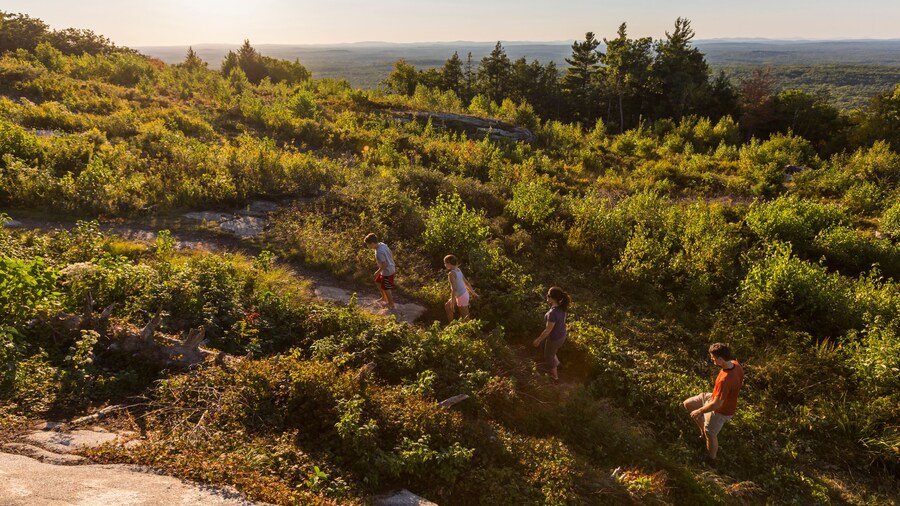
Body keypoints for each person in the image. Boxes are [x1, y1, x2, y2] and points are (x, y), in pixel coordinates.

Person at [683, 342, 744, 462]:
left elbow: (717, 404)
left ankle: (711, 459)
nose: (711, 360)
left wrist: (700, 411)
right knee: (688, 404)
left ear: (721, 359)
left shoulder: (725, 380)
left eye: (713, 358)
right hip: (713, 398)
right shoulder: (735, 364)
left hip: (720, 410)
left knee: (711, 434)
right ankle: (703, 433)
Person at [532, 287, 571, 381]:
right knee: (552, 351)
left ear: (553, 298)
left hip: (554, 338)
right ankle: (558, 364)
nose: (547, 297)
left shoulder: (552, 313)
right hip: (562, 335)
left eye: (548, 295)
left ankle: (555, 378)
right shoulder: (562, 308)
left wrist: (538, 340)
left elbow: (548, 330)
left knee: (548, 357)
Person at [364, 233, 396, 311]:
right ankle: (384, 298)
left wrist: (377, 272)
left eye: (368, 245)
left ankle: (391, 303)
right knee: (378, 281)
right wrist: (391, 260)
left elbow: (384, 264)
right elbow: (390, 252)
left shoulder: (379, 252)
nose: (368, 247)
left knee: (386, 287)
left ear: (372, 243)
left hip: (387, 270)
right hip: (388, 268)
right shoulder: (382, 244)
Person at [443, 254, 478, 321]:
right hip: (462, 294)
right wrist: (473, 293)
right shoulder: (458, 270)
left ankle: (473, 329)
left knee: (466, 318)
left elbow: (454, 289)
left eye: (445, 263)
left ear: (449, 263)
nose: (444, 265)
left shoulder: (451, 274)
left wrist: (452, 305)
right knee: (447, 306)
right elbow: (466, 282)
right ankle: (451, 325)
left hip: (461, 296)